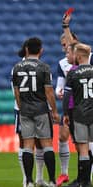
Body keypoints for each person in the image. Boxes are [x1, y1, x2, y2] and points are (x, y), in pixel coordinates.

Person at [12, 37, 60, 187]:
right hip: (41, 109)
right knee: (47, 144)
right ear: (41, 50)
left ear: (26, 49)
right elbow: (49, 91)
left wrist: (21, 107)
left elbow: (17, 92)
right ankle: (52, 180)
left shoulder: (17, 67)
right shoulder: (44, 67)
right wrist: (54, 110)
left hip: (25, 110)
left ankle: (29, 181)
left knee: (27, 145)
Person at [14, 41, 48, 187]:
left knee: (39, 143)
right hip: (26, 109)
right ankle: (26, 179)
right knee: (25, 143)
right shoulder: (20, 67)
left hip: (29, 108)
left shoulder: (36, 66)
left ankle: (39, 178)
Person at [63, 43, 93, 187]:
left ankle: (85, 182)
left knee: (83, 149)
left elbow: (67, 96)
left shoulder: (73, 73)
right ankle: (85, 181)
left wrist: (66, 113)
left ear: (79, 56)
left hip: (80, 114)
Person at [55, 33, 78, 187]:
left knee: (84, 142)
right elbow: (59, 86)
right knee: (63, 136)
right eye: (62, 45)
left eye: (66, 45)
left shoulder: (89, 58)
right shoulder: (62, 63)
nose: (64, 48)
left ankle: (86, 176)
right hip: (70, 105)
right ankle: (64, 173)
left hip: (86, 105)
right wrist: (59, 92)